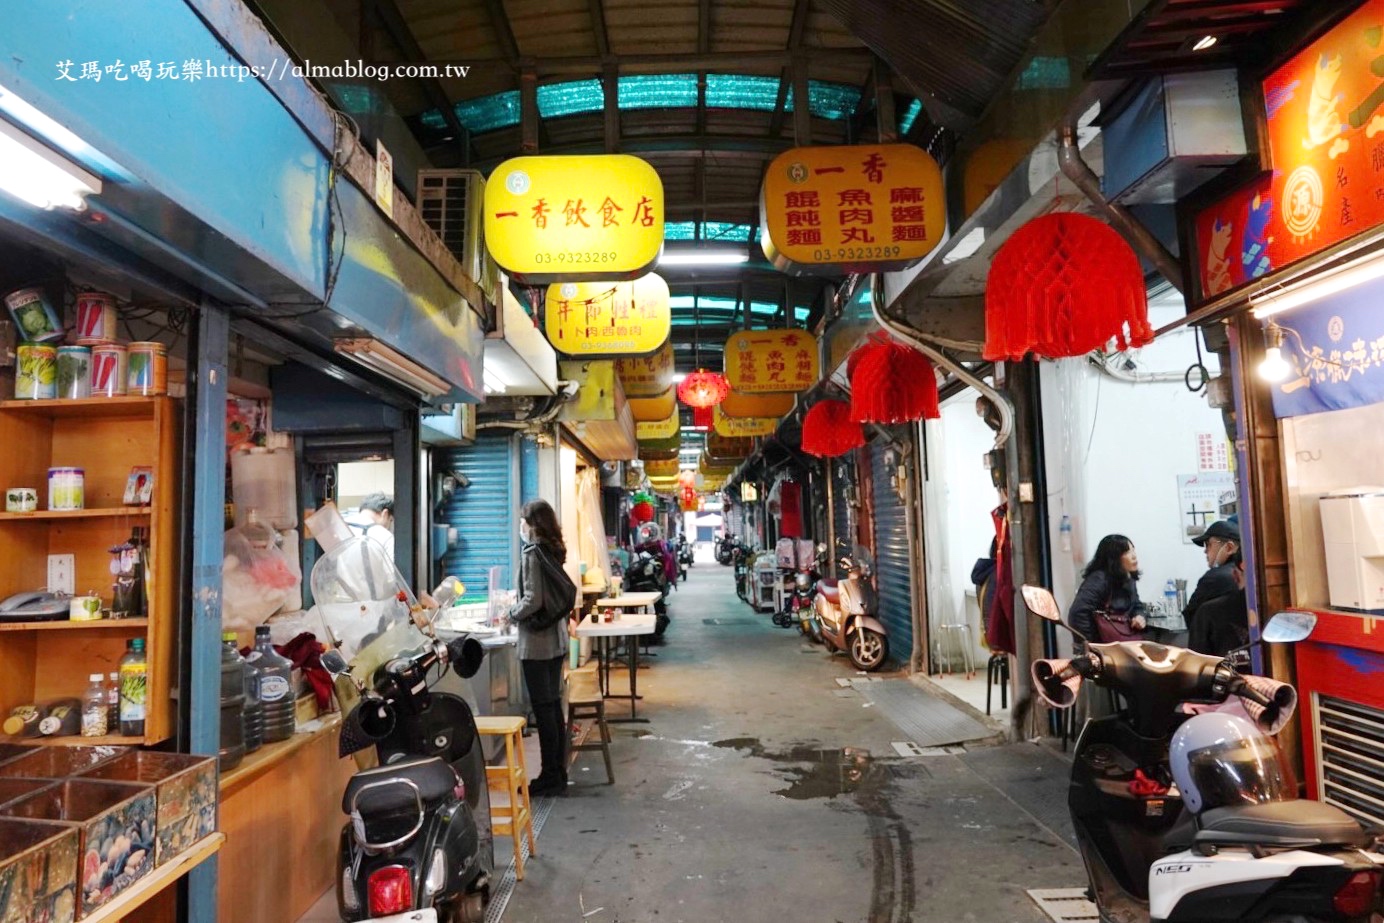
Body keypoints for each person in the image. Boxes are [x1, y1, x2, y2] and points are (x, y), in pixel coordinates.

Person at [507, 499, 571, 797]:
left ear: (532, 524)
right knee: (553, 708)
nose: (520, 526)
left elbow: (533, 599)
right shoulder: (553, 550)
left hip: (537, 644)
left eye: (523, 521)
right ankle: (558, 772)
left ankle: (549, 777)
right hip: (556, 640)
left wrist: (510, 614)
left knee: (544, 709)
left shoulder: (533, 553)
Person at [1068, 534, 1147, 644]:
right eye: (1127, 552)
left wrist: (1139, 616)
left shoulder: (1128, 577)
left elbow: (1136, 605)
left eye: (1133, 550)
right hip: (1103, 646)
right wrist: (1092, 645)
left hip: (1124, 641)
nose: (1134, 556)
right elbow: (1078, 613)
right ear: (1113, 558)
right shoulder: (1099, 579)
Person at [1183, 520, 1240, 640]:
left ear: (1229, 547)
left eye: (1209, 544)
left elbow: (1190, 615)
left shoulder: (1213, 578)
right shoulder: (1249, 574)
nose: (1205, 550)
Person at [1188, 551, 1248, 656]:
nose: (1206, 551)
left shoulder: (1208, 612)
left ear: (1235, 575)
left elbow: (1197, 664)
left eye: (1209, 544)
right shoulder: (1278, 610)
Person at [359, 493, 395, 560]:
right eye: (390, 520)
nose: (390, 526)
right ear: (385, 513)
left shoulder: (341, 526)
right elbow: (390, 570)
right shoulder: (385, 536)